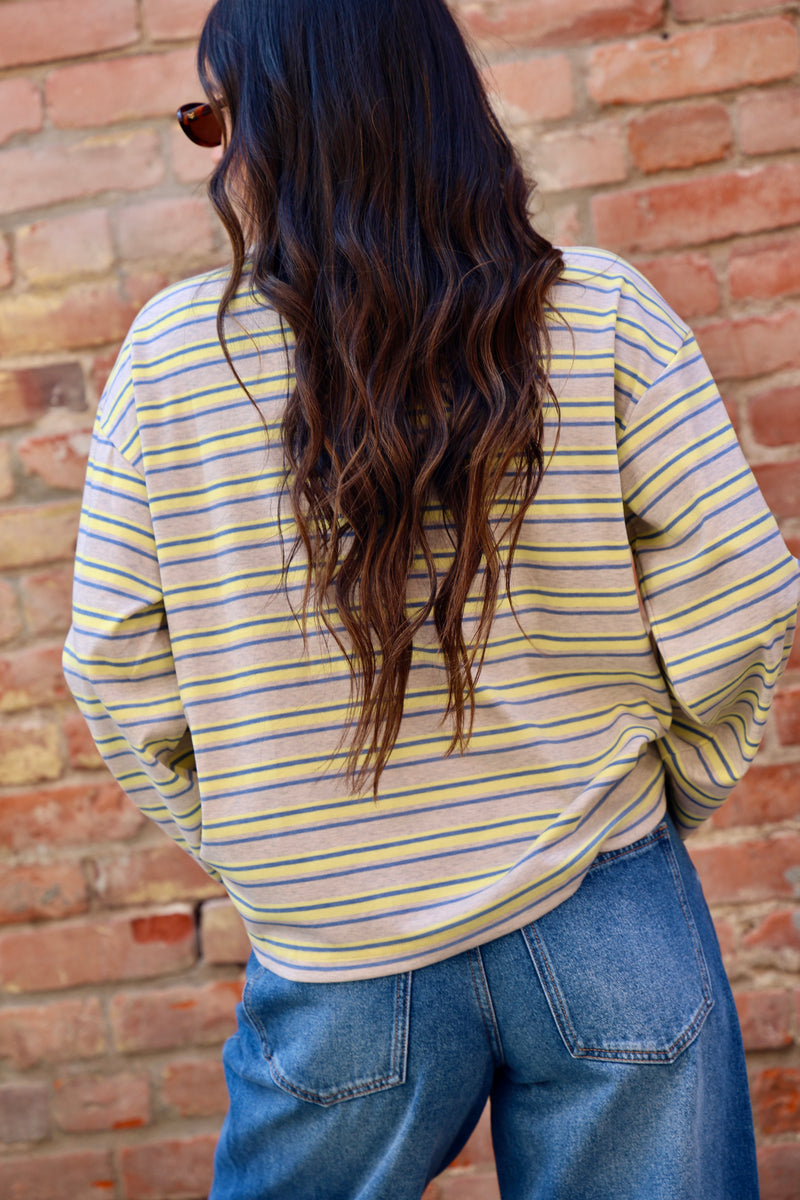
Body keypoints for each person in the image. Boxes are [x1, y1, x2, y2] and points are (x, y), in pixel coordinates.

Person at [64, 1, 799, 1197]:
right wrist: (671, 791)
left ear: (280, 127)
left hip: (338, 960)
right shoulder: (599, 313)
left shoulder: (167, 365)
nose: (223, 157)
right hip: (601, 898)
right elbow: (740, 592)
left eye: (220, 119)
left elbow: (113, 663)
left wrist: (268, 851)